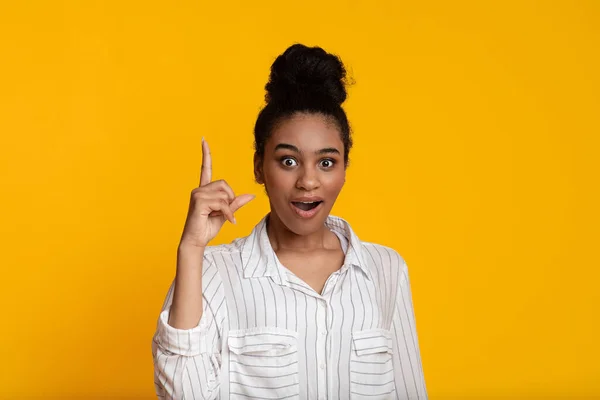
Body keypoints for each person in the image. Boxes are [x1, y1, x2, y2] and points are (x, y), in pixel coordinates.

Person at [151, 43, 428, 400]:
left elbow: (410, 391)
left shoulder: (386, 270)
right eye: (288, 161)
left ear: (345, 168)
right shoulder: (211, 274)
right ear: (258, 167)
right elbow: (183, 395)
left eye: (326, 162)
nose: (308, 181)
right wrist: (190, 249)